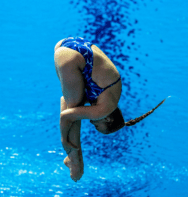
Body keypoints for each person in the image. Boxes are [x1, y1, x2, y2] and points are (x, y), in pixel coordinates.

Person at [54, 37, 165, 182]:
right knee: (74, 110)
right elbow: (66, 116)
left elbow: (64, 100)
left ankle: (73, 158)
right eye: (97, 125)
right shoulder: (104, 110)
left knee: (74, 104)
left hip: (71, 43)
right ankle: (75, 161)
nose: (92, 122)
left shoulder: (110, 97)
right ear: (108, 118)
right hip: (70, 58)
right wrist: (64, 140)